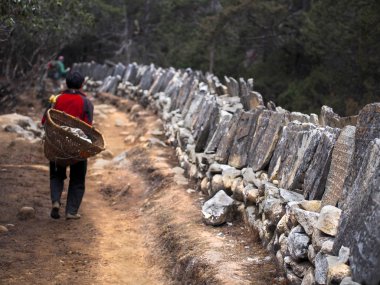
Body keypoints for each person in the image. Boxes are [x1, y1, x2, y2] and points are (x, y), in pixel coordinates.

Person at [42, 71, 94, 220]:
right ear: (82, 84)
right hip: (77, 146)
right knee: (77, 178)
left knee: (56, 175)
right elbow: (88, 126)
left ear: (66, 83)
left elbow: (45, 121)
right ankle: (71, 211)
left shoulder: (56, 99)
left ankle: (56, 202)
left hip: (57, 145)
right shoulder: (86, 102)